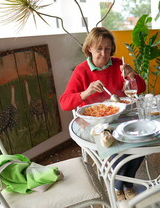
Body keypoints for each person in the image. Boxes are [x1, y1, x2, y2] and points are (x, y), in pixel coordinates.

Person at [59, 27, 146, 201]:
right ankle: (118, 187)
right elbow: (64, 103)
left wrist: (131, 76)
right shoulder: (81, 70)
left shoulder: (117, 65)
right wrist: (86, 93)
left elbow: (141, 89)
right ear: (89, 48)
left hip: (119, 116)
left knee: (142, 139)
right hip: (92, 121)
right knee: (114, 146)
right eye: (99, 48)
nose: (103, 53)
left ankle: (125, 185)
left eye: (107, 49)